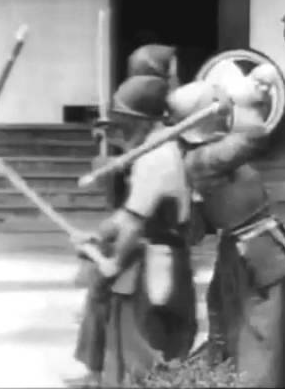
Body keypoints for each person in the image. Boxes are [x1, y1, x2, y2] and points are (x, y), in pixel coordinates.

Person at [167, 79, 285, 387]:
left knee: (282, 322)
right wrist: (251, 97)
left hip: (252, 245)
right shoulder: (204, 159)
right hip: (256, 248)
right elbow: (255, 135)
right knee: (266, 327)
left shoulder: (202, 153)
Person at [67, 75, 198, 387]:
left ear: (139, 121)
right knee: (109, 310)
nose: (119, 128)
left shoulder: (155, 158)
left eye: (122, 121)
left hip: (155, 259)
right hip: (151, 249)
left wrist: (111, 262)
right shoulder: (158, 148)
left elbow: (136, 222)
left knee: (143, 342)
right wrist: (99, 237)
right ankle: (96, 375)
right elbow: (129, 214)